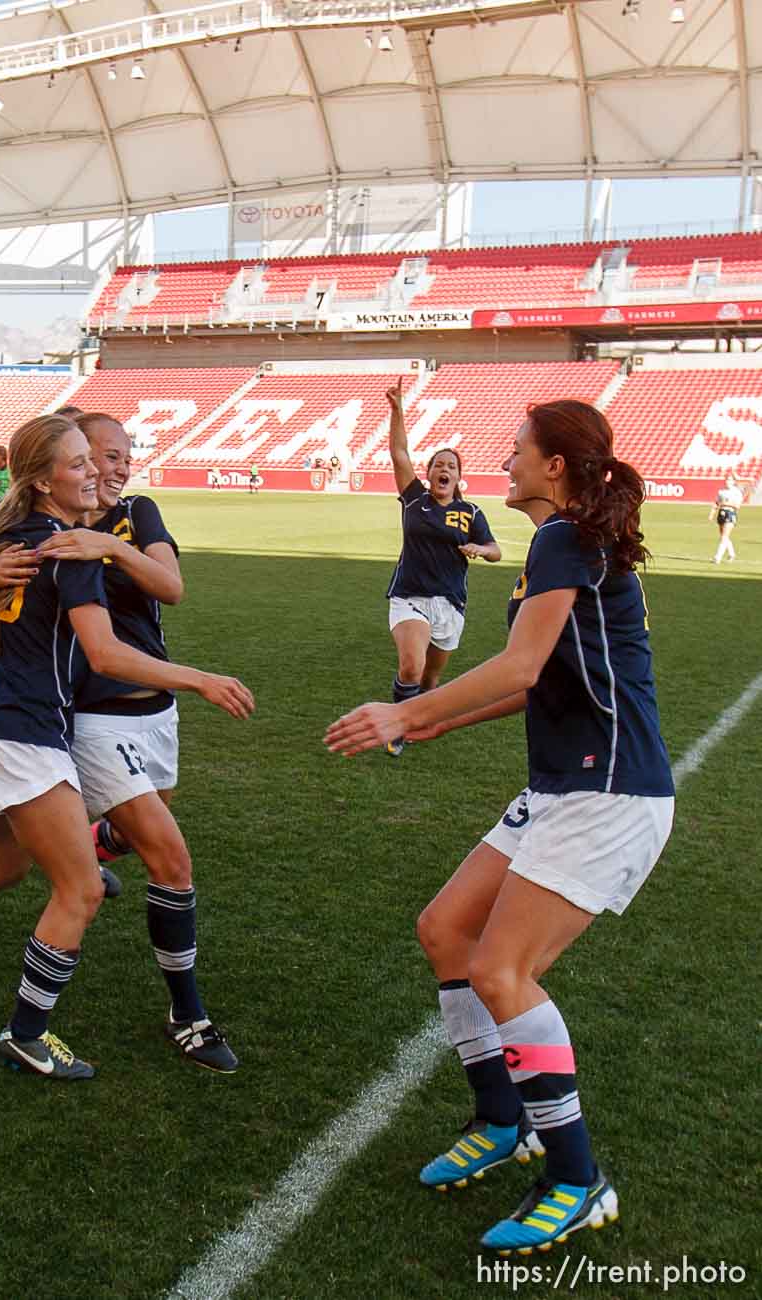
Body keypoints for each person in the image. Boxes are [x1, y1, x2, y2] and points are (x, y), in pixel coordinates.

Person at [326, 400, 672, 1256]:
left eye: (517, 449)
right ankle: (500, 1118)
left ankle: (577, 1177)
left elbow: (519, 663)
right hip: (564, 785)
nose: (504, 460)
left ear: (554, 465)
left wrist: (404, 714)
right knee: (446, 930)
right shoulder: (562, 541)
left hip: (611, 793)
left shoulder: (563, 539)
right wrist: (447, 720)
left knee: (502, 970)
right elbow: (535, 681)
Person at [0, 413, 254, 1081]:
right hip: (26, 735)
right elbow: (104, 652)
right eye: (80, 462)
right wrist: (200, 677)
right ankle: (27, 1034)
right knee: (79, 890)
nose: (96, 473)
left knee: (8, 865)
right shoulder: (68, 547)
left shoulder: (12, 536)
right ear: (45, 478)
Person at [24, 412, 244, 1071]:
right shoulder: (54, 529)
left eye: (126, 455)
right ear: (75, 459)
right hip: (96, 716)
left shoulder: (138, 514)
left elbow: (171, 587)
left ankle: (81, 857)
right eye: (104, 455)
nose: (118, 466)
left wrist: (112, 548)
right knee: (171, 860)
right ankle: (188, 1013)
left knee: (142, 828)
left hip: (157, 709)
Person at [382, 379, 501, 755]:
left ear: (458, 477)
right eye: (438, 464)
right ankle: (397, 726)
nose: (444, 470)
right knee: (412, 667)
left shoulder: (470, 513)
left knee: (431, 680)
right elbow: (399, 452)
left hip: (450, 604)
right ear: (429, 472)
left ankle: (417, 717)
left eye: (451, 465)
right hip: (410, 598)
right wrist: (398, 410)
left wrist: (480, 549)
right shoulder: (414, 500)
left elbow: (497, 550)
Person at [710, 476, 741, 564]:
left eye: (730, 480)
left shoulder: (736, 492)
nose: (727, 481)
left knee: (724, 536)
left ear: (734, 481)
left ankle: (717, 557)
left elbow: (737, 506)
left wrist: (726, 503)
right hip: (721, 514)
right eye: (727, 479)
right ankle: (732, 554)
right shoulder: (721, 491)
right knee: (724, 536)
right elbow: (716, 502)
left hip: (730, 514)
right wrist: (712, 513)